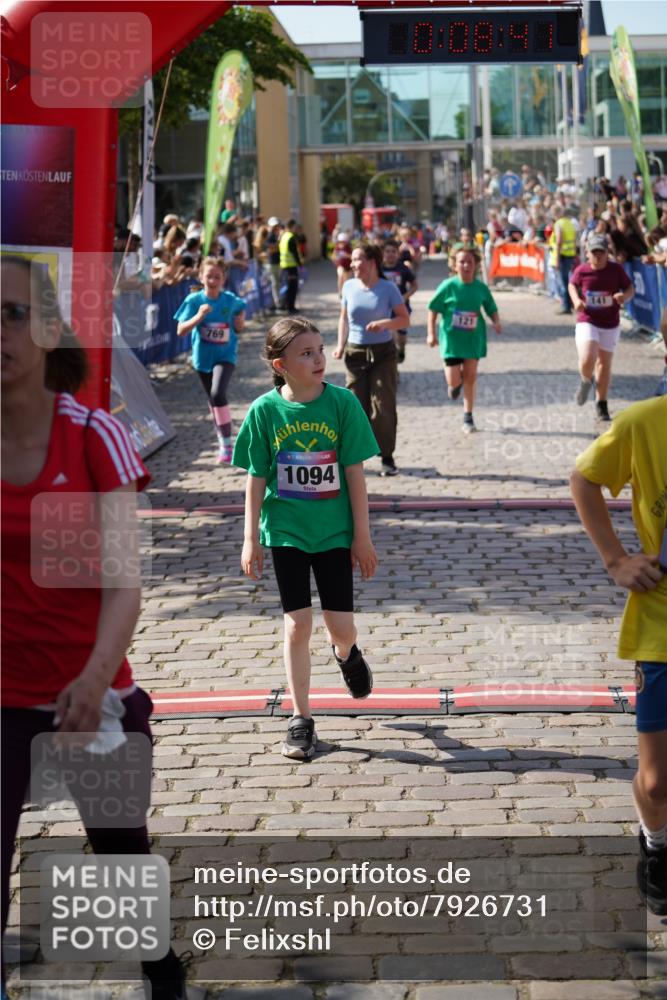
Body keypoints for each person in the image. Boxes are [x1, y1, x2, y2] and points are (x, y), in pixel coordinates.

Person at [0, 255, 190, 999]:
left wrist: (90, 676)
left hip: (89, 693)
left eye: (12, 314)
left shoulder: (92, 438)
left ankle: (158, 964)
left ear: (48, 330)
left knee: (120, 855)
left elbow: (121, 586)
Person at [233, 316, 379, 760]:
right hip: (286, 532)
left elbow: (355, 475)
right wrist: (250, 538)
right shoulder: (264, 412)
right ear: (281, 365)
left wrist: (363, 537)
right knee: (297, 624)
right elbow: (256, 479)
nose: (320, 358)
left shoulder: (343, 404)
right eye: (307, 353)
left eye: (319, 349)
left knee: (341, 626)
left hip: (335, 532)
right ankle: (301, 718)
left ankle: (348, 654)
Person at [570, 396, 667, 916]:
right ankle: (656, 842)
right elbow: (584, 480)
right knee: (657, 781)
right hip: (661, 621)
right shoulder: (643, 423)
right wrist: (616, 559)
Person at [334, 242, 409, 477]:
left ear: (372, 263)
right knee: (356, 407)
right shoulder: (348, 286)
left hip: (383, 354)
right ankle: (353, 458)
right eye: (353, 260)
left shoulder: (388, 289)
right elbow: (344, 319)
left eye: (359, 260)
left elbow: (404, 319)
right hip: (355, 354)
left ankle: (387, 457)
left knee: (383, 406)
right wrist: (340, 345)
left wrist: (385, 324)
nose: (354, 264)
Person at [174, 256, 246, 464]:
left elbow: (241, 313)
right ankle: (222, 438)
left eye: (217, 276)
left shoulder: (230, 300)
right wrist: (198, 317)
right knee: (213, 401)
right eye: (209, 276)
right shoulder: (194, 301)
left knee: (217, 393)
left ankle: (226, 444)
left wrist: (240, 321)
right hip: (202, 357)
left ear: (224, 279)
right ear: (200, 277)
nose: (213, 280)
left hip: (226, 355)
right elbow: (180, 330)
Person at [427, 246, 501, 434]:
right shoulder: (448, 286)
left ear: (476, 265)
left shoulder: (480, 288)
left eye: (470, 261)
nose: (466, 265)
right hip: (452, 341)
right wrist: (431, 333)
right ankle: (455, 386)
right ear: (454, 265)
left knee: (470, 377)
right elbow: (433, 309)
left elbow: (490, 307)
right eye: (462, 261)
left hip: (473, 340)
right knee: (453, 380)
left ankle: (468, 416)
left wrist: (496, 322)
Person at [568, 232, 634, 423]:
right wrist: (576, 300)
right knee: (588, 356)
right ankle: (586, 380)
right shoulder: (582, 270)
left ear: (607, 253)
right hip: (587, 319)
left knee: (604, 365)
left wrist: (624, 297)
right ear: (587, 253)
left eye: (601, 252)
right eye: (594, 252)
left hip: (610, 323)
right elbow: (572, 285)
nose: (598, 256)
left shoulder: (616, 270)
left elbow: (630, 288)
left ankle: (601, 404)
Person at [381, 239, 418, 364]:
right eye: (387, 251)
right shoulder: (378, 269)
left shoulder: (403, 269)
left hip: (401, 306)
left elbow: (415, 286)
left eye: (393, 251)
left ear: (398, 254)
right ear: (383, 253)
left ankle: (401, 349)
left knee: (401, 336)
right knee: (390, 333)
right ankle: (392, 360)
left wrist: (405, 296)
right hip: (385, 307)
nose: (390, 254)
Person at [550, 207, 579, 314]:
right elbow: (574, 239)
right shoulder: (570, 223)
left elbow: (558, 241)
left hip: (562, 256)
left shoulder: (558, 224)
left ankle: (566, 306)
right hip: (570, 255)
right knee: (567, 281)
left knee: (563, 282)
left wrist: (557, 259)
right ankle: (568, 304)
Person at [279, 218, 302, 315]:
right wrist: (300, 264)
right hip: (291, 266)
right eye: (295, 227)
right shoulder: (291, 237)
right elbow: (294, 253)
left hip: (284, 266)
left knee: (287, 287)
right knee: (292, 288)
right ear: (292, 226)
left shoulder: (283, 236)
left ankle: (287, 306)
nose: (296, 229)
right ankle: (291, 307)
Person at [333, 231, 353, 295]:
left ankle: (344, 292)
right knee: (340, 276)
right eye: (340, 241)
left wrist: (347, 255)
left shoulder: (348, 247)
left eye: (343, 241)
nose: (342, 243)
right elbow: (333, 256)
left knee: (346, 280)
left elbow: (352, 256)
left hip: (348, 266)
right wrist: (335, 259)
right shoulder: (337, 247)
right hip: (340, 265)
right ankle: (340, 292)